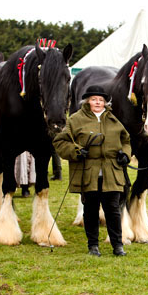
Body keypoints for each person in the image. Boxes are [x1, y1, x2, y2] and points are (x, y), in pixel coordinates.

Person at [54, 85, 131, 257]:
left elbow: (126, 140)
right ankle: (93, 246)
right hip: (88, 173)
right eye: (94, 99)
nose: (98, 102)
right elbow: (60, 142)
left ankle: (117, 246)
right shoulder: (75, 120)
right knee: (91, 210)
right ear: (87, 101)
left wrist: (125, 154)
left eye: (101, 100)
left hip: (111, 172)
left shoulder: (113, 119)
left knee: (113, 210)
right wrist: (76, 151)